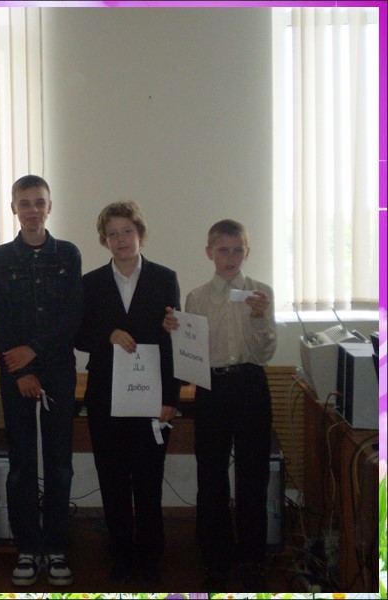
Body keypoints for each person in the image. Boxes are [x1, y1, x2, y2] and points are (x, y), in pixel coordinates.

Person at [163, 219, 276, 592]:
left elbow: (265, 352)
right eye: (223, 250)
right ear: (209, 252)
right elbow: (191, 354)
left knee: (253, 474)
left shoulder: (261, 293)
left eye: (238, 249)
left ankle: (252, 558)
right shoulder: (197, 298)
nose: (231, 257)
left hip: (250, 384)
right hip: (212, 388)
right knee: (210, 474)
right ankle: (215, 557)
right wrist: (175, 333)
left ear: (247, 251)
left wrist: (258, 318)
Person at [75, 201, 180, 585]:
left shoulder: (165, 278)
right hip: (106, 397)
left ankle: (150, 557)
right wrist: (108, 335)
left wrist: (171, 398)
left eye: (127, 231)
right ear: (104, 240)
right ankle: (120, 554)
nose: (121, 239)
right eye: (113, 234)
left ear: (140, 234)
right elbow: (78, 335)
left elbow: (172, 340)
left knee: (149, 481)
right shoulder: (90, 283)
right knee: (113, 479)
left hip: (152, 396)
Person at [0, 174, 83, 587]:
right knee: (22, 464)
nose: (32, 210)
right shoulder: (0, 258)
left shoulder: (68, 254)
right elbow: (0, 319)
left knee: (59, 464)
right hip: (15, 372)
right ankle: (27, 548)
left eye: (39, 202)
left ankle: (57, 548)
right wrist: (23, 369)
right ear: (14, 208)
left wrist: (36, 352)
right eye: (24, 203)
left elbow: (72, 315)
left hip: (59, 370)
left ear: (49, 206)